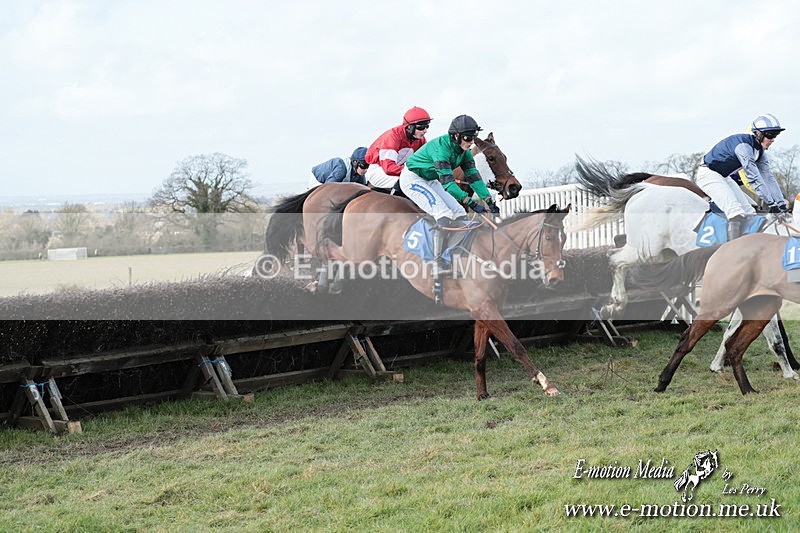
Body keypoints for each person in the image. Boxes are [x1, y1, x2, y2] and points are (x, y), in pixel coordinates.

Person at [401, 114, 500, 274]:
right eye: (468, 138)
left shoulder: (465, 152)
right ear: (456, 136)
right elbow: (448, 185)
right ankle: (436, 262)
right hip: (413, 179)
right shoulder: (441, 150)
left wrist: (489, 201)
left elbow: (474, 178)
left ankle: (454, 255)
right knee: (444, 214)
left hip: (431, 179)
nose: (471, 142)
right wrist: (471, 203)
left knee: (460, 213)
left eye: (473, 137)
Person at [696, 114, 788, 239]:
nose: (772, 139)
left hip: (724, 176)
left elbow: (768, 178)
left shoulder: (760, 152)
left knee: (750, 214)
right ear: (757, 133)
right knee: (736, 213)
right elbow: (754, 178)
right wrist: (772, 204)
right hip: (708, 174)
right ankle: (731, 252)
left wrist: (781, 204)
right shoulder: (744, 148)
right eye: (770, 135)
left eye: (775, 135)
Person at [365, 107, 431, 194]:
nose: (425, 130)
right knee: (409, 181)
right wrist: (414, 172)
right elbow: (389, 168)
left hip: (398, 170)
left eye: (427, 126)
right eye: (421, 127)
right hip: (379, 170)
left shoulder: (421, 140)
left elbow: (425, 162)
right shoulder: (393, 136)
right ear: (409, 127)